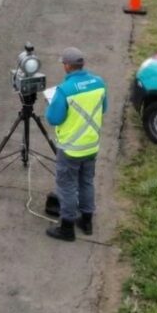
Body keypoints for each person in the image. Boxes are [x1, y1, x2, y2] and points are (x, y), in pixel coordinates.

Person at [45, 47, 107, 241]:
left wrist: (52, 104)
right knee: (86, 182)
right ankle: (87, 221)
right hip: (91, 145)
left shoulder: (64, 90)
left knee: (67, 186)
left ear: (68, 66)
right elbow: (103, 108)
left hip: (71, 148)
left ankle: (67, 228)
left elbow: (53, 119)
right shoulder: (99, 83)